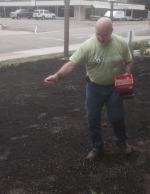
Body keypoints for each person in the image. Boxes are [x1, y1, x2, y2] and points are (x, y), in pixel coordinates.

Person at [44, 17, 133, 160]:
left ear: (111, 31)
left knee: (117, 117)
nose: (101, 37)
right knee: (93, 118)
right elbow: (71, 64)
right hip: (94, 87)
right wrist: (57, 76)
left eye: (104, 34)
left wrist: (127, 72)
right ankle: (97, 147)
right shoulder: (88, 46)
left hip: (115, 87)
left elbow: (128, 61)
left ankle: (122, 142)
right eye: (98, 33)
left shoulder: (121, 43)